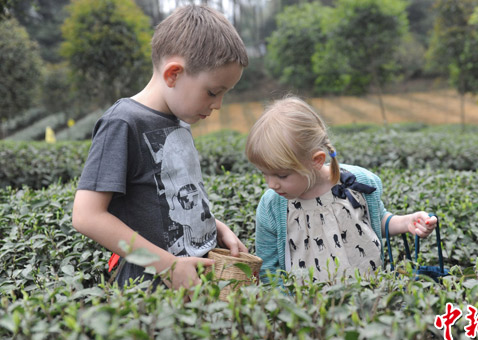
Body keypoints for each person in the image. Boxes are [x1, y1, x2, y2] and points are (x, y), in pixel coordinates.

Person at [72, 5, 249, 290]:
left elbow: (170, 204)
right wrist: (167, 266)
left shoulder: (180, 121)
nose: (218, 105)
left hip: (193, 284)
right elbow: (86, 216)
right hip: (151, 292)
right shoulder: (123, 122)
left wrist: (217, 229)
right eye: (213, 92)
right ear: (173, 74)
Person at [245, 97, 437, 282]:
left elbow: (376, 220)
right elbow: (268, 271)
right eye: (265, 174)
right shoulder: (272, 206)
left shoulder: (358, 183)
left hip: (371, 297)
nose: (271, 184)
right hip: (307, 308)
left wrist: (407, 222)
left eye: (282, 175)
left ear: (316, 160)